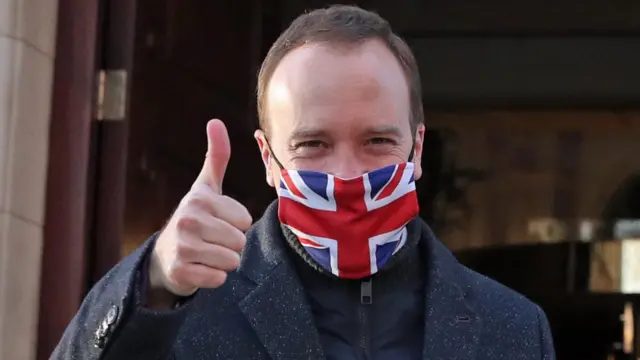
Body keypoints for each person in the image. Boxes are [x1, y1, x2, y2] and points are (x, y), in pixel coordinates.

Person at [52, 5, 555, 360]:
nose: (346, 175)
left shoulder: (514, 328)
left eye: (377, 141)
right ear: (268, 159)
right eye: (312, 145)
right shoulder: (184, 308)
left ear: (417, 149)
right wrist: (157, 277)